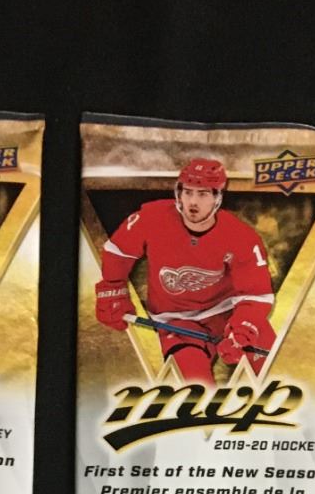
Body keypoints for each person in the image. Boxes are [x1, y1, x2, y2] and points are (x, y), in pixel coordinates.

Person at [94, 157, 275, 379]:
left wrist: (242, 330)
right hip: (175, 320)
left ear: (217, 197)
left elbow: (256, 293)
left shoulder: (241, 236)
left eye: (203, 194)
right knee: (193, 383)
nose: (193, 202)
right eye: (188, 192)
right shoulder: (151, 218)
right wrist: (112, 288)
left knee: (273, 366)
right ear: (178, 193)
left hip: (226, 312)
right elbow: (118, 250)